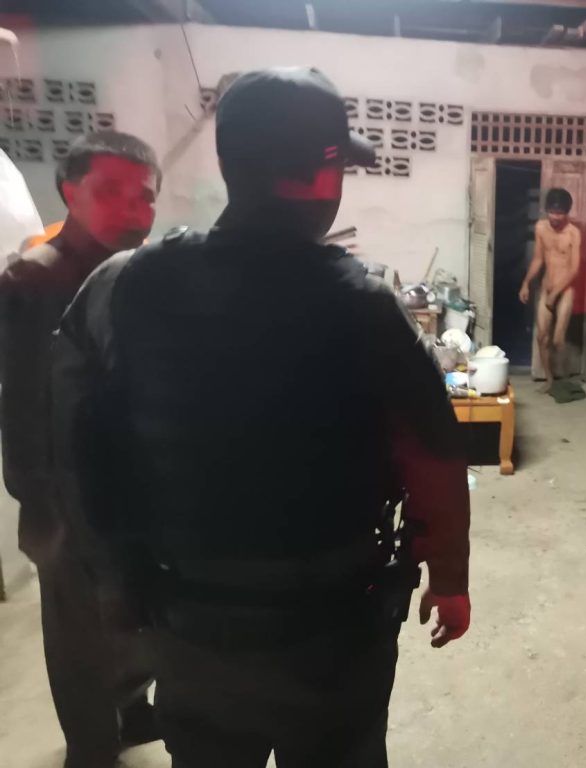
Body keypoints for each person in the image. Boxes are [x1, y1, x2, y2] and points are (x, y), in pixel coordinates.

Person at [50, 67, 471, 768]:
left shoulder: (121, 285)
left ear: (228, 164)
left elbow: (76, 445)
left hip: (188, 627)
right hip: (334, 634)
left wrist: (117, 588)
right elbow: (435, 454)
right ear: (324, 177)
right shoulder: (365, 304)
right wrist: (450, 579)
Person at [0, 131, 161, 768]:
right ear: (70, 192)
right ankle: (91, 745)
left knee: (136, 611)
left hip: (128, 480)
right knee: (78, 632)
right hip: (61, 492)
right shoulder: (34, 279)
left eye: (144, 196)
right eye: (110, 191)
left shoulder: (134, 274)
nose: (132, 209)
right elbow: (21, 403)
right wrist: (40, 501)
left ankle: (132, 708)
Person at [519, 187, 581, 392]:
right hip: (546, 288)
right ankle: (549, 379)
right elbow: (538, 259)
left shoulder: (573, 233)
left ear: (567, 212)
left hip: (564, 291)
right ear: (546, 210)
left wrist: (556, 294)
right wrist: (526, 283)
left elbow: (574, 269)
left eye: (560, 213)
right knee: (541, 337)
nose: (555, 217)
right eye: (552, 212)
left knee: (558, 339)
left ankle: (566, 377)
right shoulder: (541, 228)